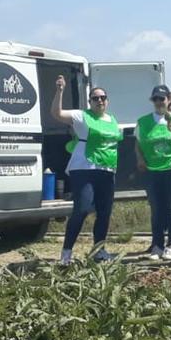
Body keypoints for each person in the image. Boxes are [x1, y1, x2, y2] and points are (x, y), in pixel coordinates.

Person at [50, 76, 120, 265]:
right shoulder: (82, 116)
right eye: (95, 98)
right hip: (84, 168)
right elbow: (56, 113)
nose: (100, 101)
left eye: (103, 97)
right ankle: (66, 253)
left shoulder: (112, 120)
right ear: (89, 101)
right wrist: (60, 90)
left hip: (107, 170)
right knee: (81, 209)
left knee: (104, 212)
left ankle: (99, 251)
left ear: (107, 100)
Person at [136, 83, 171, 261]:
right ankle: (157, 244)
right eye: (156, 99)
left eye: (162, 99)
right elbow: (138, 143)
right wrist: (140, 159)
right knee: (156, 207)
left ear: (169, 100)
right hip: (152, 169)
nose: (159, 102)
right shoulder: (143, 121)